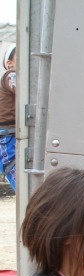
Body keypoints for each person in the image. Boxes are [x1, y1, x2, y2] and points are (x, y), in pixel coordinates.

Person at [0, 43, 16, 191]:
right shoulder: (9, 75)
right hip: (8, 138)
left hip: (10, 136)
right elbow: (21, 88)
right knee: (23, 183)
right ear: (10, 63)